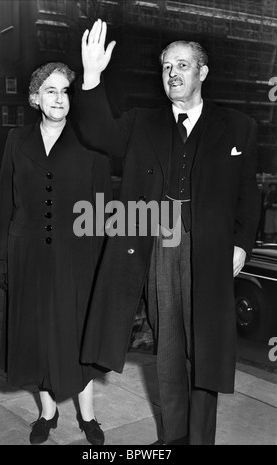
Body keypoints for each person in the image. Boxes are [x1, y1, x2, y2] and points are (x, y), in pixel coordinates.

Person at [75, 20, 261, 446]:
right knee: (171, 350)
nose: (172, 73)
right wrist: (91, 78)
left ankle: (200, 440)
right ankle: (174, 438)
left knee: (205, 352)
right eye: (165, 67)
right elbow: (97, 131)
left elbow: (248, 196)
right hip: (160, 245)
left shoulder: (238, 127)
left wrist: (241, 244)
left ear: (202, 72)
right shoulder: (142, 123)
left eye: (182, 65)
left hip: (210, 250)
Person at [0, 62, 112, 445]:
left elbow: (102, 207)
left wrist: (101, 265)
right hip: (26, 255)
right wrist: (1, 257)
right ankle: (47, 412)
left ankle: (87, 415)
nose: (59, 98)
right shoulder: (16, 139)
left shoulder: (91, 143)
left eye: (64, 91)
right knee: (37, 335)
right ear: (34, 98)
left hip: (76, 258)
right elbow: (6, 203)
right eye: (50, 91)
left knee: (77, 336)